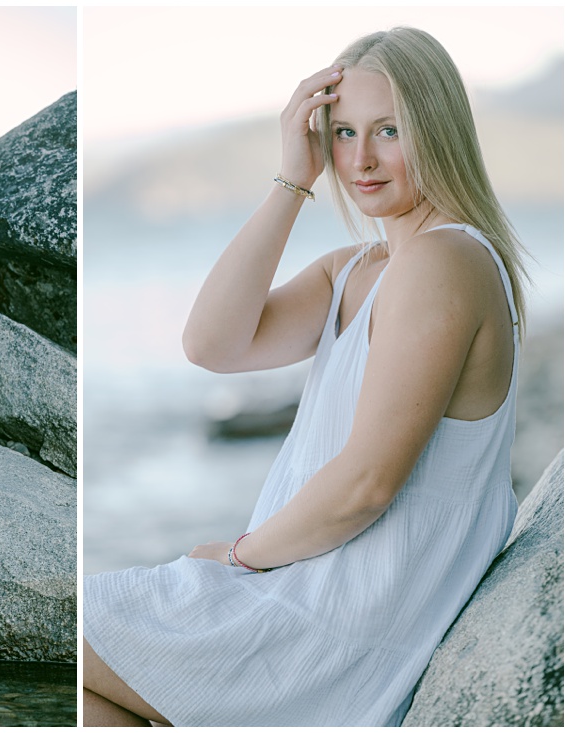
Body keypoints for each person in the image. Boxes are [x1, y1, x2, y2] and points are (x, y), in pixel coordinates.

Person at [83, 27, 530, 726]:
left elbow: (365, 485)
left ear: (438, 129)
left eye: (388, 129)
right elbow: (211, 342)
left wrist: (238, 554)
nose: (362, 158)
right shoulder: (356, 269)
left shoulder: (446, 262)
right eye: (343, 132)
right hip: (302, 595)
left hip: (336, 624)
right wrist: (294, 178)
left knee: (74, 643)